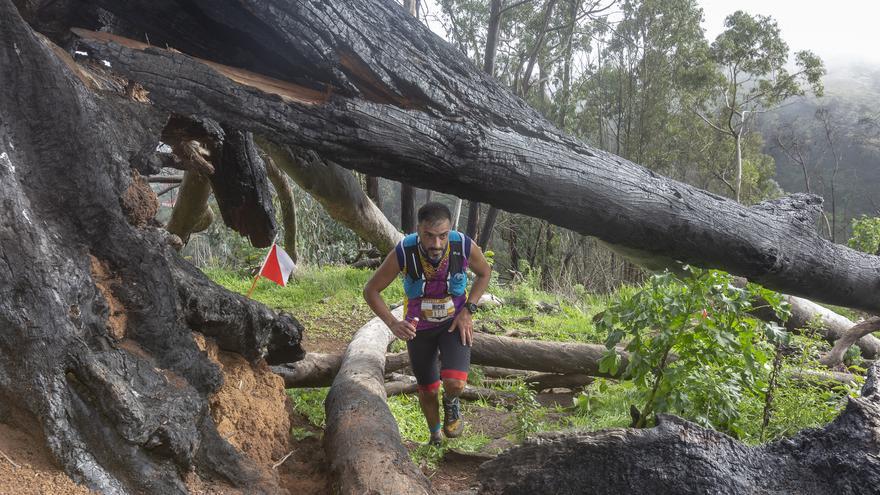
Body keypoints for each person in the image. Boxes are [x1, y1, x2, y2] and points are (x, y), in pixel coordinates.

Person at [363, 202, 491, 445]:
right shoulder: (404, 251)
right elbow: (371, 290)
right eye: (429, 236)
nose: (436, 244)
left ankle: (452, 402)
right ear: (418, 230)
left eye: (443, 236)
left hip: (453, 324)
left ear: (450, 231)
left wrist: (468, 310)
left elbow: (485, 272)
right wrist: (392, 323)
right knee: (429, 388)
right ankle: (435, 435)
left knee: (455, 382)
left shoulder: (462, 245)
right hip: (418, 329)